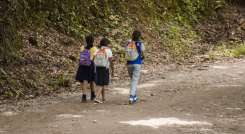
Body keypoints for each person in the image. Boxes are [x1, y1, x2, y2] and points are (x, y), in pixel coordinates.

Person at [75, 34, 97, 102]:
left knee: (84, 80)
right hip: (90, 65)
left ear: (86, 41)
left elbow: (80, 55)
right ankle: (93, 95)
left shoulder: (82, 47)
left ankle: (84, 96)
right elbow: (94, 58)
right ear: (93, 41)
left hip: (82, 65)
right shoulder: (94, 48)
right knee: (92, 80)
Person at [125, 30, 145, 104]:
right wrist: (143, 57)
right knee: (134, 80)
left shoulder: (128, 43)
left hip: (129, 63)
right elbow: (142, 53)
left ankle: (134, 96)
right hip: (137, 63)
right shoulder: (140, 43)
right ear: (139, 36)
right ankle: (131, 97)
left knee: (133, 80)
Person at [93, 38, 113, 103]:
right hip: (105, 68)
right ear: (107, 44)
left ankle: (103, 97)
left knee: (101, 82)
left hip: (97, 68)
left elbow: (93, 58)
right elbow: (111, 60)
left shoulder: (98, 50)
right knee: (101, 83)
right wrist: (112, 69)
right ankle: (97, 97)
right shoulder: (108, 50)